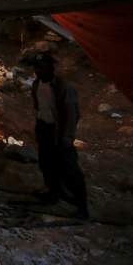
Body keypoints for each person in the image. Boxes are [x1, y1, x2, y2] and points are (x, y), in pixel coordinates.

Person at [32, 52, 88, 218]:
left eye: (42, 68)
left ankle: (81, 205)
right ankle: (53, 194)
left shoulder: (63, 87)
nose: (38, 71)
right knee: (47, 164)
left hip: (59, 130)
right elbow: (39, 107)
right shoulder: (36, 85)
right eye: (36, 68)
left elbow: (72, 114)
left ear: (51, 68)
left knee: (69, 168)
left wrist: (67, 137)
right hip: (44, 129)